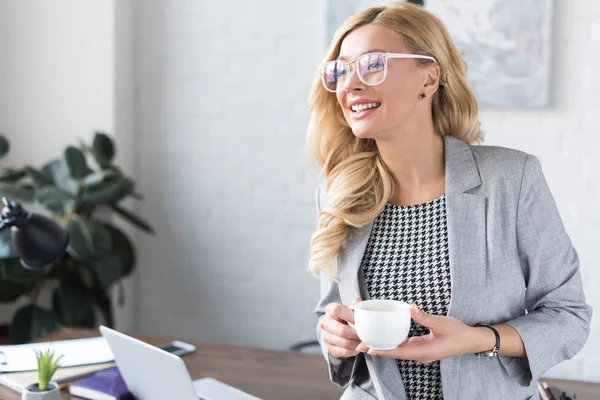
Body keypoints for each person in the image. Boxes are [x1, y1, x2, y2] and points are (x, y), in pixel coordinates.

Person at [307, 3, 592, 400]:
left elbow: (568, 316)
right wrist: (334, 337)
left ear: (429, 78)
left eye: (373, 64)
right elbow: (331, 315)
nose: (350, 85)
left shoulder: (511, 177)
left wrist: (478, 340)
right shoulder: (341, 189)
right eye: (340, 71)